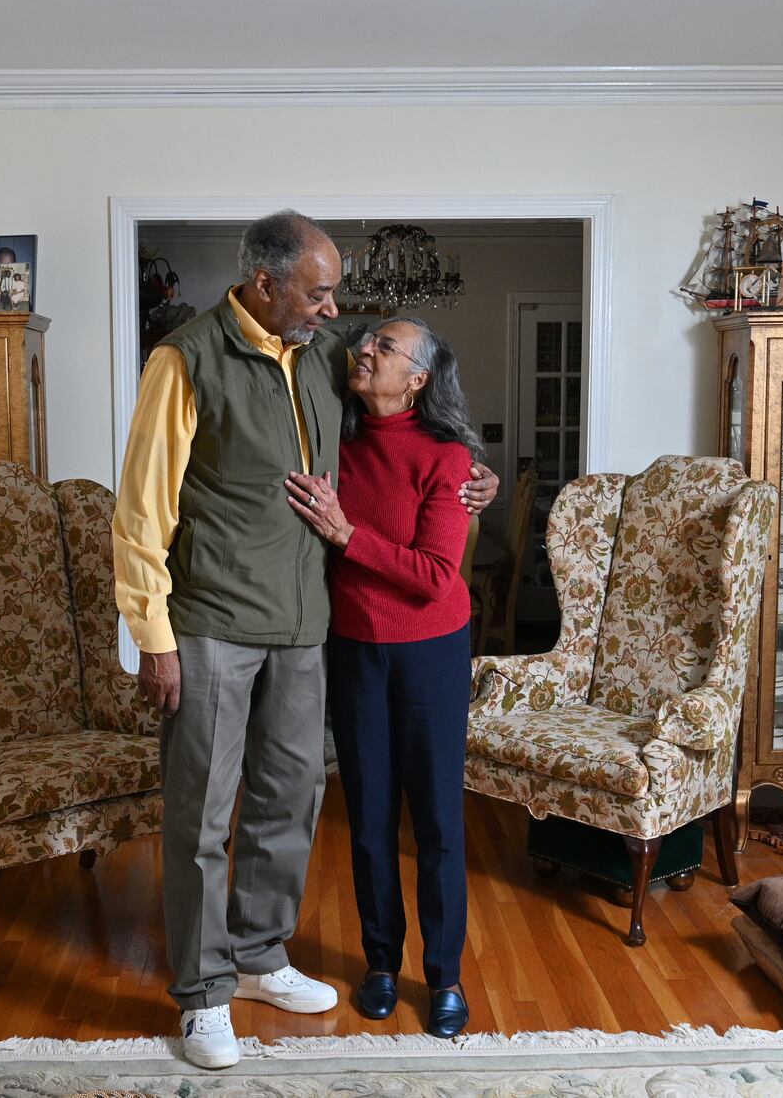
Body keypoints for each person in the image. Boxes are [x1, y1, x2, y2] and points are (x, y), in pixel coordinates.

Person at [112, 210, 498, 1069]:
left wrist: (473, 474)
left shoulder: (325, 357)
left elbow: (415, 422)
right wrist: (153, 635)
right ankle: (205, 992)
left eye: (336, 297)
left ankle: (259, 955)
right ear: (265, 284)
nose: (335, 313)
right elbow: (140, 510)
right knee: (204, 815)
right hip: (210, 621)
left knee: (291, 800)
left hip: (308, 629)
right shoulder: (184, 359)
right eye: (319, 293)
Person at [284, 317, 479, 1039]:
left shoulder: (448, 457)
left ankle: (446, 978)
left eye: (385, 348)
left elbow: (433, 577)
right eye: (366, 343)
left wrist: (346, 535)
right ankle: (380, 966)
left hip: (431, 649)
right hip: (354, 649)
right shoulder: (334, 438)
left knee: (436, 824)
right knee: (367, 822)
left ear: (418, 379)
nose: (365, 350)